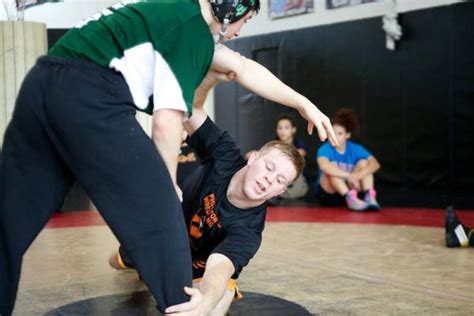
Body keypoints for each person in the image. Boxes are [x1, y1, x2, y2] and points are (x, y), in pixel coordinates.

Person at [1, 0, 338, 314]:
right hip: (92, 95)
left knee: (10, 220)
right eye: (243, 22)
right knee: (161, 217)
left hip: (42, 82)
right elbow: (167, 122)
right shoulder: (194, 32)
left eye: (280, 180)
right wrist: (165, 184)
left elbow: (243, 67)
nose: (239, 33)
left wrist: (302, 103)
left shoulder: (173, 13)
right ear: (230, 8)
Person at [108, 70, 305, 315]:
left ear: (282, 190)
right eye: (269, 167)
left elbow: (219, 267)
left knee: (213, 301)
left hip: (200, 267)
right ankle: (138, 262)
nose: (269, 180)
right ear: (253, 158)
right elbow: (192, 110)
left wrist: (207, 300)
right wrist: (210, 78)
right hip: (161, 235)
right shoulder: (225, 155)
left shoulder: (250, 230)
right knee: (115, 261)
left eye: (279, 180)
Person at [315, 108, 381, 211]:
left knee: (364, 162)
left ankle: (369, 197)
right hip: (329, 195)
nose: (335, 137)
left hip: (352, 190)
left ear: (348, 135)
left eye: (340, 134)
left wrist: (358, 175)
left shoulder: (355, 148)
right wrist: (350, 176)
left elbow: (375, 164)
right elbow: (324, 166)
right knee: (331, 167)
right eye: (332, 133)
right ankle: (349, 197)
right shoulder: (325, 149)